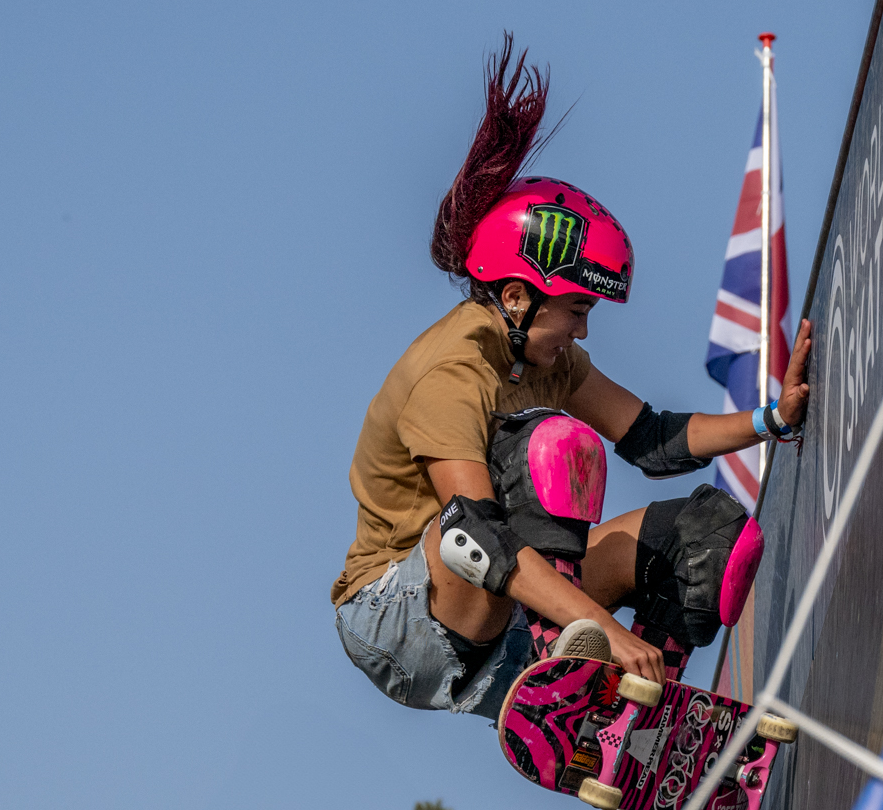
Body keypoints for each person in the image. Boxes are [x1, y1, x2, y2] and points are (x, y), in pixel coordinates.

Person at [331, 37, 812, 720]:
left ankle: (638, 715)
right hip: (400, 616)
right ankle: (574, 649)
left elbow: (653, 438)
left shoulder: (547, 360)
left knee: (708, 534)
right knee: (550, 444)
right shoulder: (452, 372)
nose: (583, 331)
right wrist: (605, 627)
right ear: (520, 297)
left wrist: (772, 419)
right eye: (577, 309)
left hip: (501, 591)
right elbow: (474, 534)